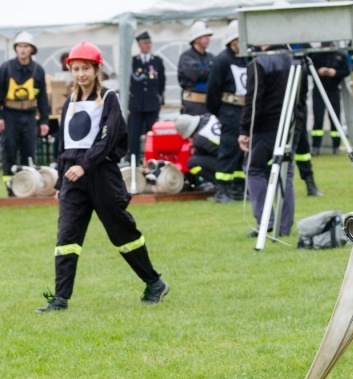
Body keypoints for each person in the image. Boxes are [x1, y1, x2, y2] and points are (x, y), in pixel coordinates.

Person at [36, 42, 169, 313]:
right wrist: (61, 182)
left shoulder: (109, 98)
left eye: (86, 68)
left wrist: (85, 165)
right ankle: (60, 299)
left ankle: (154, 283)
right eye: (76, 69)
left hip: (102, 175)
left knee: (122, 232)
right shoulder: (69, 102)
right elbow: (63, 145)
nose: (81, 73)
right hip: (73, 176)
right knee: (67, 236)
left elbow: (108, 139)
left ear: (97, 69)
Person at [239, 45, 303, 237]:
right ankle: (284, 225)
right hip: (290, 124)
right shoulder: (297, 61)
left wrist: (245, 129)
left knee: (254, 170)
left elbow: (253, 100)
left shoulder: (258, 63)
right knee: (285, 174)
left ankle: (266, 221)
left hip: (264, 126)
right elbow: (302, 96)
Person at [0, 31, 50, 197]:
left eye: (26, 46)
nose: (22, 49)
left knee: (29, 152)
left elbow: (42, 97)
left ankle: (28, 186)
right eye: (19, 46)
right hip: (9, 115)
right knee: (9, 151)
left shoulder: (38, 70)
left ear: (32, 49)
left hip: (29, 116)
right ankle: (10, 187)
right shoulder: (6, 67)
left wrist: (44, 120)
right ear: (16, 48)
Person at [206, 20, 248, 202]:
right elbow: (213, 91)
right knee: (228, 149)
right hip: (229, 110)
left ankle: (238, 187)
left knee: (242, 151)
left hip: (245, 110)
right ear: (232, 41)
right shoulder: (222, 60)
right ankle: (222, 190)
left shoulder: (247, 58)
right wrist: (219, 112)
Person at [128, 31, 166, 162]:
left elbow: (162, 81)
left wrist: (159, 97)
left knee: (152, 132)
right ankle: (133, 159)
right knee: (134, 134)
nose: (147, 45)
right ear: (139, 45)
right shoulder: (133, 61)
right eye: (144, 43)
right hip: (136, 104)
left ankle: (152, 159)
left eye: (149, 42)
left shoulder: (157, 61)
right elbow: (129, 82)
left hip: (151, 103)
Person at [307, 46, 350, 156]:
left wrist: (335, 73)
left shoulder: (339, 55)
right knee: (318, 119)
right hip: (319, 91)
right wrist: (317, 71)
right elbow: (307, 69)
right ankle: (316, 146)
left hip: (333, 90)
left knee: (335, 119)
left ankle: (336, 146)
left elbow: (346, 71)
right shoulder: (315, 55)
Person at [178, 21, 216, 116]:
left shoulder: (211, 57)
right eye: (204, 36)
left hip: (209, 105)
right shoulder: (186, 57)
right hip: (193, 106)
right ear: (196, 39)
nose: (208, 39)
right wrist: (212, 71)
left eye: (208, 36)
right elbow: (197, 74)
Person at [175, 113, 219, 192]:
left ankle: (221, 185)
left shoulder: (199, 139)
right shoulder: (209, 117)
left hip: (229, 162)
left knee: (192, 163)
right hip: (239, 154)